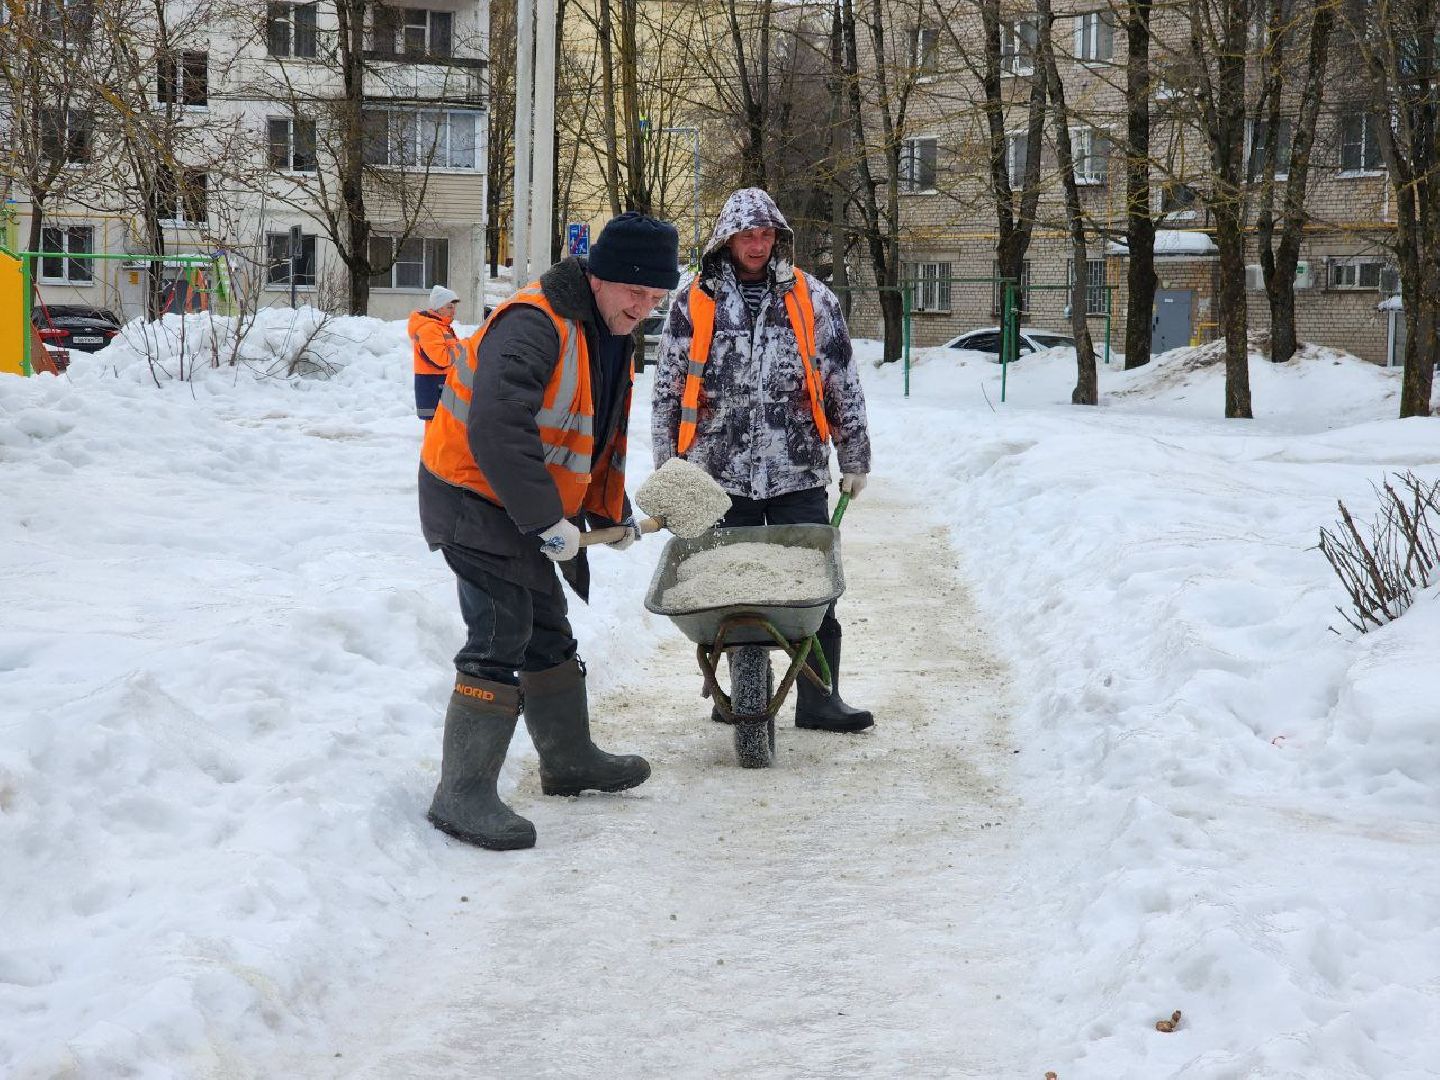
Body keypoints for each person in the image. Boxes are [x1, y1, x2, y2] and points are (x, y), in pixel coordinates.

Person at [418, 212, 681, 851]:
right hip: (471, 496)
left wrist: (607, 515)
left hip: (519, 501)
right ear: (599, 277)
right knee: (501, 630)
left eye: (655, 297)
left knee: (547, 627)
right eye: (635, 292)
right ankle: (461, 794)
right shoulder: (535, 324)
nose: (643, 308)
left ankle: (569, 760)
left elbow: (590, 437)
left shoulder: (606, 330)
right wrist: (544, 519)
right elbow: (497, 426)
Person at [652, 187, 874, 733]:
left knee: (814, 591)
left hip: (797, 468)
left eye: (766, 234)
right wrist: (668, 470)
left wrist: (854, 455)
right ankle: (736, 694)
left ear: (779, 237)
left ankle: (820, 699)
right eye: (747, 235)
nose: (757, 245)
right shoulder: (692, 301)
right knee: (729, 591)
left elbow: (842, 380)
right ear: (726, 239)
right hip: (718, 473)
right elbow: (667, 391)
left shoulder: (813, 298)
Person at [409, 285, 464, 421]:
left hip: (439, 387)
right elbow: (442, 359)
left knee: (443, 429)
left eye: (454, 307)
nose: (453, 311)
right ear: (439, 308)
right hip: (433, 388)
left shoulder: (441, 328)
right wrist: (463, 348)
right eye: (449, 307)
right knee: (436, 430)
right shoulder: (430, 329)